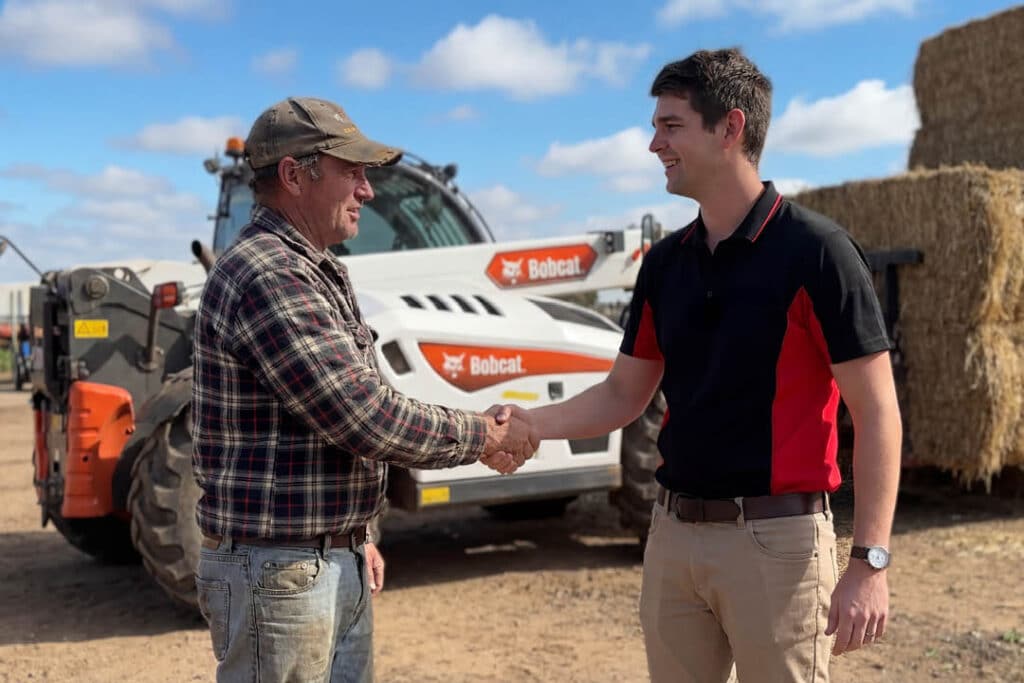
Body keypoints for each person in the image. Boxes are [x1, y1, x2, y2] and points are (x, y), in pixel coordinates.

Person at [493, 49, 901, 682]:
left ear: (730, 128)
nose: (654, 143)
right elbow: (623, 395)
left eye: (671, 125)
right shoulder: (663, 265)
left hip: (779, 546)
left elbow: (877, 413)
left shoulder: (817, 254)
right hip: (672, 538)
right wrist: (526, 424)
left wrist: (868, 563)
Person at [191, 96, 537, 683]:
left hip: (318, 560)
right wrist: (483, 434)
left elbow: (336, 424)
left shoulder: (315, 268)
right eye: (351, 172)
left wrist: (355, 537)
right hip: (283, 570)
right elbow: (359, 413)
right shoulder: (270, 272)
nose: (367, 190)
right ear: (294, 176)